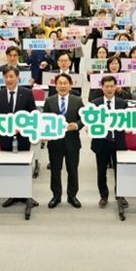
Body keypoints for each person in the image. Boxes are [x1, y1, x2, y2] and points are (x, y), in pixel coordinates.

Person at [0, 66, 39, 208]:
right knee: (9, 167)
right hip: (5, 137)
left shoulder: (27, 93)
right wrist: (3, 125)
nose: (9, 79)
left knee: (24, 166)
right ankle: (12, 194)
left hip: (22, 137)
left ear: (18, 78)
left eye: (11, 76)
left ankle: (26, 195)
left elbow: (33, 114)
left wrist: (22, 127)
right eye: (6, 77)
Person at [43, 73, 84, 209]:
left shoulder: (77, 100)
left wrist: (76, 125)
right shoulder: (49, 101)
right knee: (55, 170)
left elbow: (84, 118)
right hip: (55, 142)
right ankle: (56, 196)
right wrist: (45, 133)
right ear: (55, 86)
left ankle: (72, 196)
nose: (62, 86)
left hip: (72, 142)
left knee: (73, 170)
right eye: (59, 83)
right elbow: (44, 120)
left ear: (70, 85)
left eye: (65, 83)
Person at [90, 75, 128, 209]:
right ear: (102, 88)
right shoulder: (95, 103)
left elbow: (127, 121)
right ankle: (103, 196)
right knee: (101, 172)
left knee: (120, 171)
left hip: (118, 142)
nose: (109, 89)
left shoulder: (122, 103)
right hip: (101, 142)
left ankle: (120, 195)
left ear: (116, 87)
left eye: (112, 86)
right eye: (107, 86)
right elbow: (90, 121)